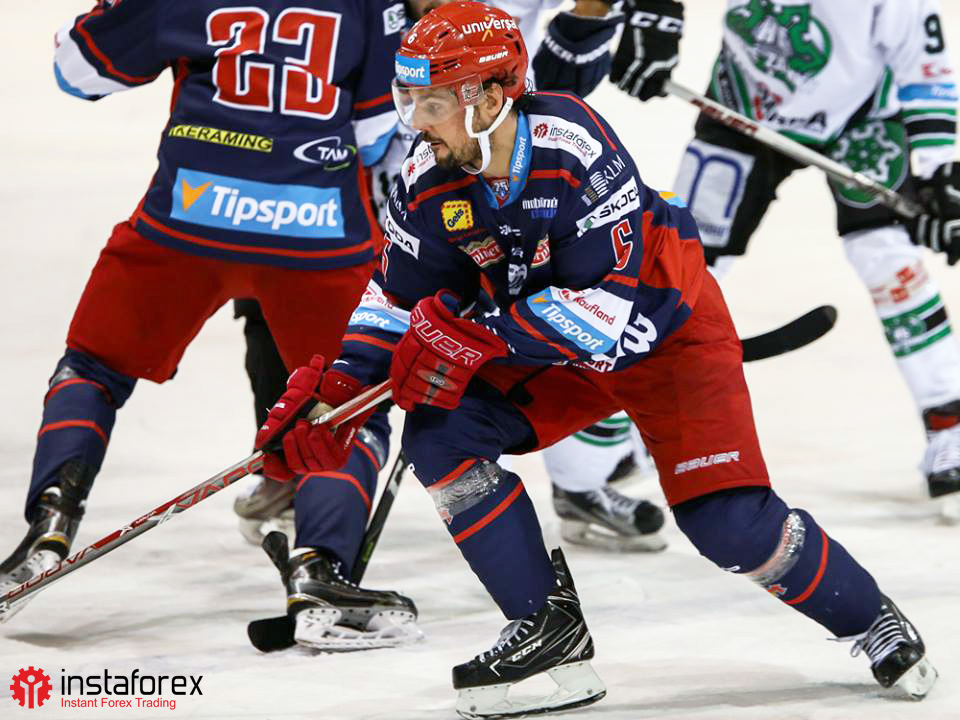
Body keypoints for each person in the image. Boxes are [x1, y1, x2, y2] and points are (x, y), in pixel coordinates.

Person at [255, 3, 938, 716]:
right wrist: (340, 390)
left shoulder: (572, 144)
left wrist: (470, 337)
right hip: (542, 346)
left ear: (491, 97)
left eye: (433, 103)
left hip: (664, 334)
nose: (416, 124)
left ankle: (870, 619)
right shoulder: (428, 176)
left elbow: (599, 314)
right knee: (440, 434)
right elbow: (394, 298)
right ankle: (547, 631)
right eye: (408, 101)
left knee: (728, 524)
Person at [0, 0, 420, 645]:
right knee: (349, 403)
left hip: (188, 220)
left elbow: (76, 70)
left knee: (93, 367)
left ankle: (50, 522)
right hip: (318, 234)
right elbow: (374, 132)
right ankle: (320, 568)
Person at [235, 0, 669, 553]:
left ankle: (578, 482)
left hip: (501, 188)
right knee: (351, 361)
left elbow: (549, 99)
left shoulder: (506, 71)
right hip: (389, 205)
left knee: (546, 314)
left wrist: (594, 22)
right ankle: (317, 512)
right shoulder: (379, 34)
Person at [609, 0, 960, 520]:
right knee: (680, 264)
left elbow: (924, 65)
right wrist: (651, 15)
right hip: (741, 110)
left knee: (888, 258)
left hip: (860, 119)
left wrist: (938, 170)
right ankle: (633, 419)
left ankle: (950, 420)